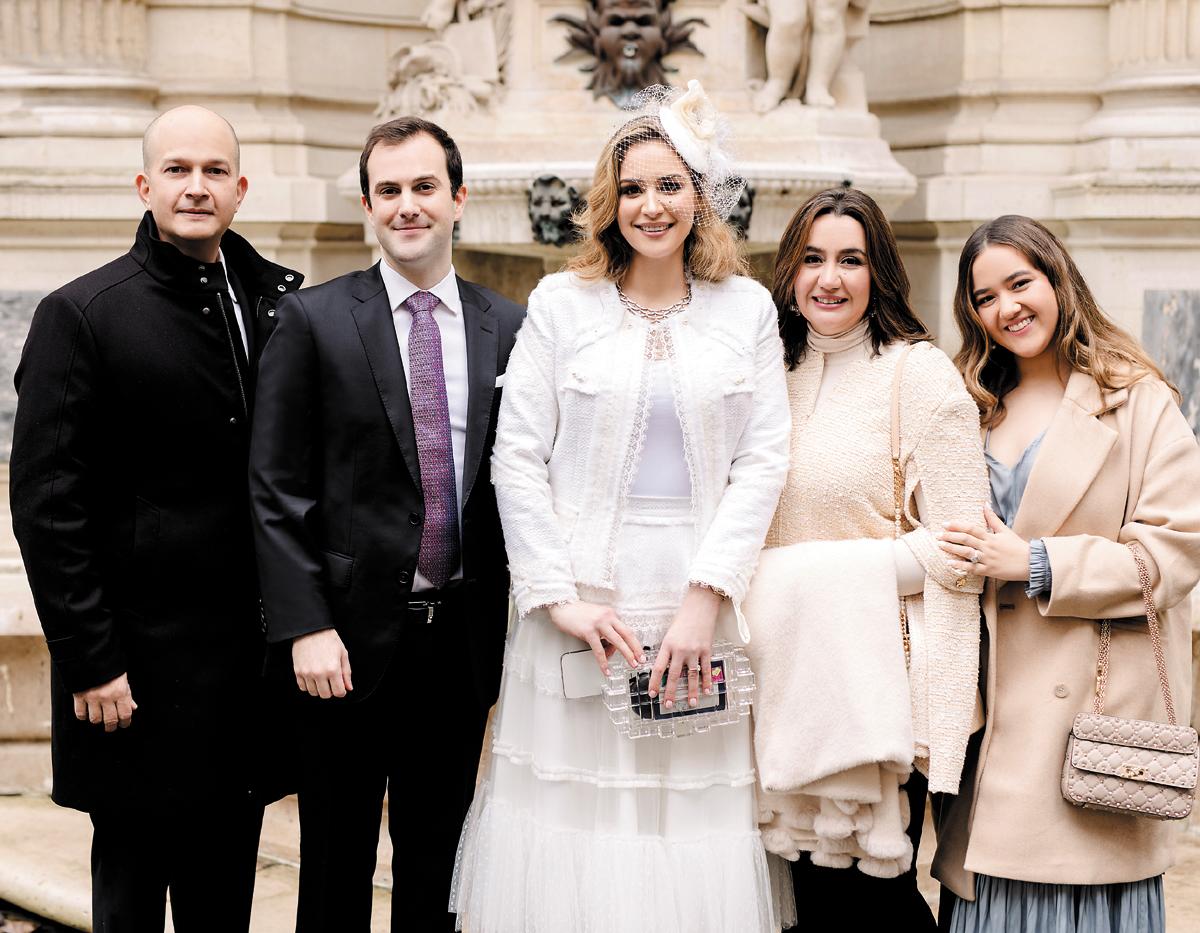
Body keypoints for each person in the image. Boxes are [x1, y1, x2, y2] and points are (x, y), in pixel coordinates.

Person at [451, 81, 790, 932]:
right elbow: (517, 456)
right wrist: (557, 597)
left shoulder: (745, 310)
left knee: (686, 810)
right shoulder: (562, 308)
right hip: (578, 605)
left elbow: (763, 462)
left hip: (695, 601)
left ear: (701, 196)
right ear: (608, 201)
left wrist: (706, 599)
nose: (651, 205)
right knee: (581, 812)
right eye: (633, 187)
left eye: (670, 185)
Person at [9, 105, 302, 932]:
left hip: (241, 679)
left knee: (223, 906)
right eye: (177, 169)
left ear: (241, 190)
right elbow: (45, 503)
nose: (196, 186)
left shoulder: (276, 302)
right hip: (131, 679)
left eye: (214, 171)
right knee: (131, 903)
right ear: (144, 185)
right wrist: (90, 660)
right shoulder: (84, 312)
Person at [249, 116, 524, 933]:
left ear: (459, 197)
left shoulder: (507, 326)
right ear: (369, 206)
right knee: (334, 861)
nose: (408, 206)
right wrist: (305, 625)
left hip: (459, 643)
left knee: (435, 863)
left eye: (425, 187)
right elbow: (274, 485)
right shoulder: (313, 319)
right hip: (344, 644)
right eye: (390, 191)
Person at [933, 215, 1200, 932]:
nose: (1006, 307)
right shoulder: (966, 405)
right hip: (990, 726)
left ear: (1058, 280)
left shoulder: (1138, 400)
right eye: (984, 296)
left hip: (1091, 728)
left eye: (1021, 282)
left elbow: (1174, 552)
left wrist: (1038, 563)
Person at [758, 186, 987, 929]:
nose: (830, 278)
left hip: (874, 688)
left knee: (864, 906)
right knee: (786, 904)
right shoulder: (762, 372)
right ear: (789, 271)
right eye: (813, 258)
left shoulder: (915, 375)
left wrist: (814, 577)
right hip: (771, 685)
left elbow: (964, 548)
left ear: (879, 272)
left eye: (851, 260)